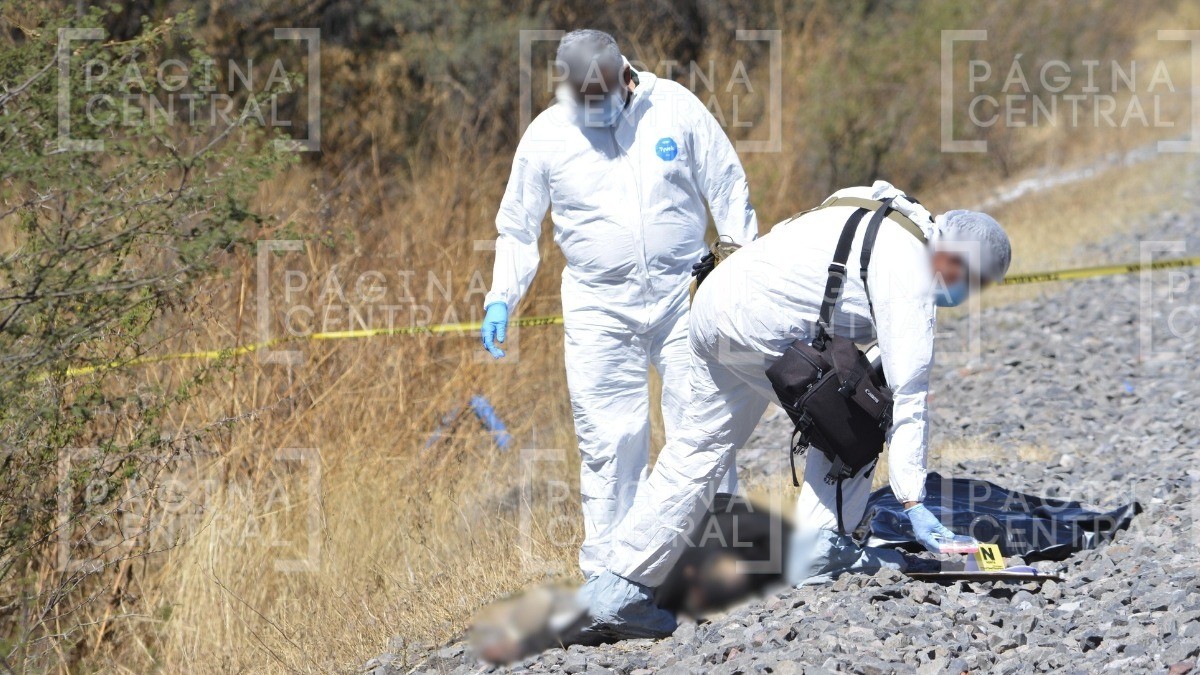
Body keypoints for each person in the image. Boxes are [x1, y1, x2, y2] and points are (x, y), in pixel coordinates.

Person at [579, 181, 1013, 639]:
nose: (969, 294)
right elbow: (909, 392)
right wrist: (914, 502)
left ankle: (618, 589)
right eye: (974, 282)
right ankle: (822, 547)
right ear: (956, 262)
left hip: (713, 303)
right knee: (859, 416)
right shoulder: (914, 268)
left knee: (697, 449)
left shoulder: (884, 207)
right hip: (761, 325)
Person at [480, 29, 759, 578]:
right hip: (599, 308)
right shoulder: (547, 135)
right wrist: (501, 298)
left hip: (686, 296)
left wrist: (738, 271)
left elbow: (728, 187)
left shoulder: (675, 107)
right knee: (611, 440)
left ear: (626, 77)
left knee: (701, 425)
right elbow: (517, 228)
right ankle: (613, 573)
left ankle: (713, 556)